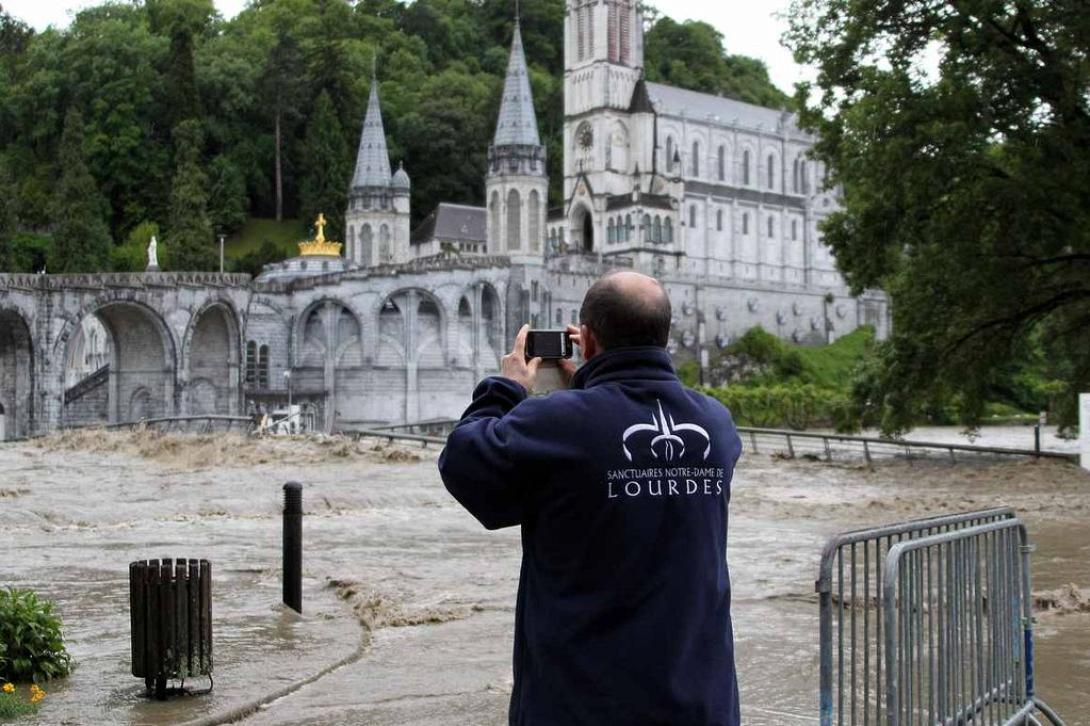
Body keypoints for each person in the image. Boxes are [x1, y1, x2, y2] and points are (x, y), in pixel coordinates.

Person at [438, 271, 743, 726]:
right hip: (699, 703)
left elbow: (465, 465)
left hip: (584, 703)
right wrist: (588, 384)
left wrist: (508, 388)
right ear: (665, 334)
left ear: (589, 339)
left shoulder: (559, 423)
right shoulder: (716, 425)